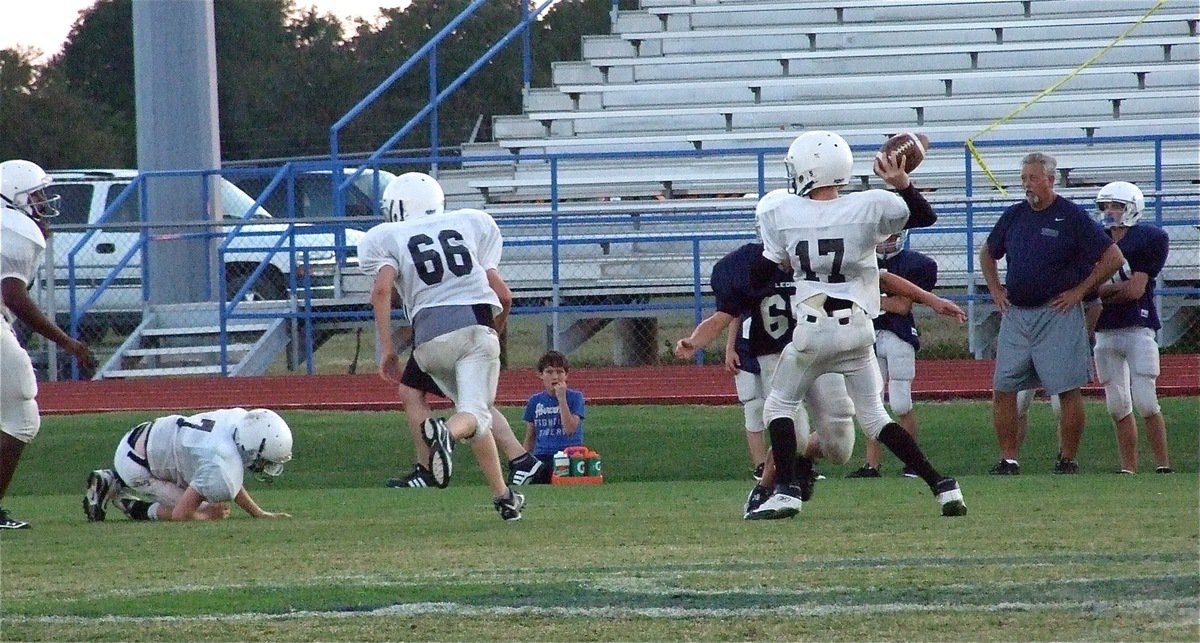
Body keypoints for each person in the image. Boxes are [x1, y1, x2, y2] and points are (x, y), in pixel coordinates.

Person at [750, 130, 967, 520]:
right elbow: (924, 217)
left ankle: (786, 490)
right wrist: (902, 183)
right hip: (859, 330)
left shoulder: (780, 210)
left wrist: (791, 261)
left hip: (814, 328)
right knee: (876, 417)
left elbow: (765, 269)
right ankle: (942, 486)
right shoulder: (867, 207)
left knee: (779, 405)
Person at [359, 172, 527, 521]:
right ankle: (445, 434)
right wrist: (494, 329)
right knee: (473, 414)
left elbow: (380, 291)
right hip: (474, 327)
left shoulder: (389, 237)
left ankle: (504, 497)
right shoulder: (470, 223)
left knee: (475, 416)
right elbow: (505, 295)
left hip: (428, 343)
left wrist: (388, 349)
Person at [979, 152, 1124, 475]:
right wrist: (996, 290)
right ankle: (1009, 458)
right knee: (1003, 387)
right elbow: (988, 253)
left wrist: (1080, 291)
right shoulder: (1015, 215)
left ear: (1050, 179)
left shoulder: (1070, 216)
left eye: (1032, 178)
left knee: (1066, 387)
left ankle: (1067, 458)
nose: (1027, 185)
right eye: (1023, 179)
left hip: (1055, 312)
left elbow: (1112, 258)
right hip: (1018, 313)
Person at [1, 159, 97, 529]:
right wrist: (67, 342)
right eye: (36, 196)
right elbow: (12, 294)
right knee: (22, 418)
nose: (43, 203)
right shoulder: (17, 229)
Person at [384, 336, 543, 489]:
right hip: (461, 328)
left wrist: (387, 347)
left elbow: (382, 306)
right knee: (469, 399)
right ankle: (520, 461)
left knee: (415, 391)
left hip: (441, 330)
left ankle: (440, 447)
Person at [82, 408, 293, 522]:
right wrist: (206, 516)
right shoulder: (221, 458)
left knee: (202, 487)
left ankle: (113, 480)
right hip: (137, 464)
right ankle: (133, 505)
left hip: (146, 434)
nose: (264, 465)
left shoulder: (238, 419)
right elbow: (181, 514)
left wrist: (258, 513)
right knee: (200, 507)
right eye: (265, 460)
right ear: (251, 448)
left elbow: (228, 472)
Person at [1091, 181, 1172, 474]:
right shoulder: (1096, 239)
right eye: (1106, 206)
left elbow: (1134, 291)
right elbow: (1095, 289)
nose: (1110, 212)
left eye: (1116, 206)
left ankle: (1163, 465)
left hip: (1138, 326)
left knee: (1147, 401)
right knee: (1117, 405)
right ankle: (1129, 468)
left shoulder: (1149, 238)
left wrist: (1101, 291)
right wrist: (1104, 291)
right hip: (1106, 329)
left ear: (1133, 208)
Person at [847, 230, 938, 478]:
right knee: (871, 404)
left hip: (899, 336)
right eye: (883, 236)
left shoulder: (913, 264)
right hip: (871, 338)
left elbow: (901, 306)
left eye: (891, 236)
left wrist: (869, 302)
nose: (887, 242)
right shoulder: (863, 263)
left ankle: (913, 464)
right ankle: (871, 465)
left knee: (900, 402)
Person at [521, 350, 586, 484]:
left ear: (566, 375)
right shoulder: (535, 401)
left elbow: (570, 429)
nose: (555, 377)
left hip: (568, 454)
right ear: (541, 375)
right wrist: (523, 462)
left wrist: (561, 399)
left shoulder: (575, 398)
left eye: (559, 372)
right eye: (549, 372)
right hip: (542, 455)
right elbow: (530, 436)